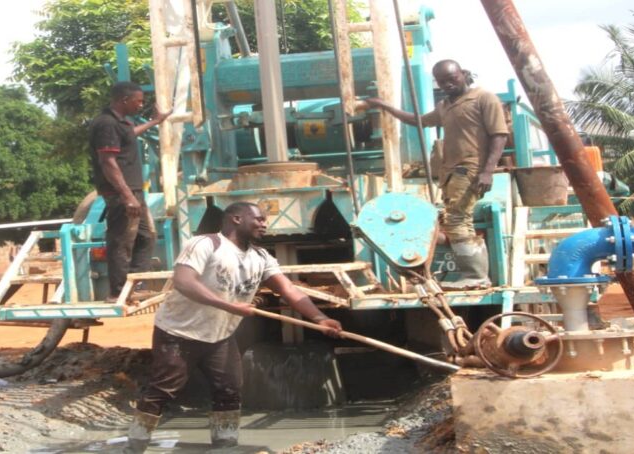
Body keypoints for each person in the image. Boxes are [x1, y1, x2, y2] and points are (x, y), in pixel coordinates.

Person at [125, 202, 343, 452]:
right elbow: (183, 282)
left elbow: (288, 290)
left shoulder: (260, 257)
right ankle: (134, 446)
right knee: (163, 390)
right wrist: (228, 305)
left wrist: (319, 318)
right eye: (259, 219)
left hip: (220, 336)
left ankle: (225, 446)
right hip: (178, 333)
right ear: (236, 219)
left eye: (264, 220)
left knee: (229, 390)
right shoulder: (206, 244)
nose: (264, 224)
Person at [366, 60, 509, 289]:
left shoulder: (484, 98)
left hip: (471, 169)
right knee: (459, 221)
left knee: (457, 220)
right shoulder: (446, 106)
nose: (448, 84)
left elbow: (499, 135)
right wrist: (385, 106)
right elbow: (419, 121)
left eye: (452, 79)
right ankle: (476, 275)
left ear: (463, 74)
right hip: (451, 172)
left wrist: (488, 171)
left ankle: (476, 276)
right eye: (443, 82)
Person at [89, 81, 171, 302]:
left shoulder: (121, 123)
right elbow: (107, 162)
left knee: (146, 236)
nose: (141, 104)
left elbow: (130, 135)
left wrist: (155, 121)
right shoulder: (106, 124)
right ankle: (117, 293)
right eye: (139, 101)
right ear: (124, 100)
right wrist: (126, 196)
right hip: (121, 194)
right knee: (121, 240)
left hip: (134, 191)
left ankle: (135, 286)